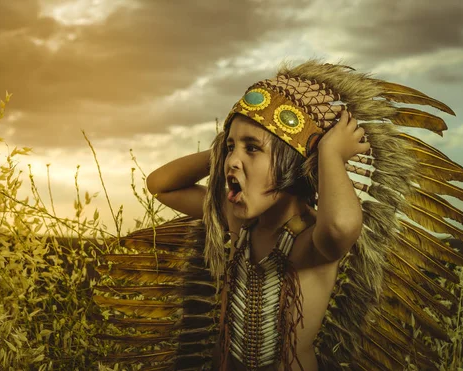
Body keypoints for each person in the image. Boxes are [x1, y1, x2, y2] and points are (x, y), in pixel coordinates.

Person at [146, 61, 370, 370]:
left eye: (253, 148)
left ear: (293, 163)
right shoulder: (241, 224)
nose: (232, 161)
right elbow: (161, 186)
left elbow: (341, 225)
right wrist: (222, 148)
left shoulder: (311, 240)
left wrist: (329, 154)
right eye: (230, 148)